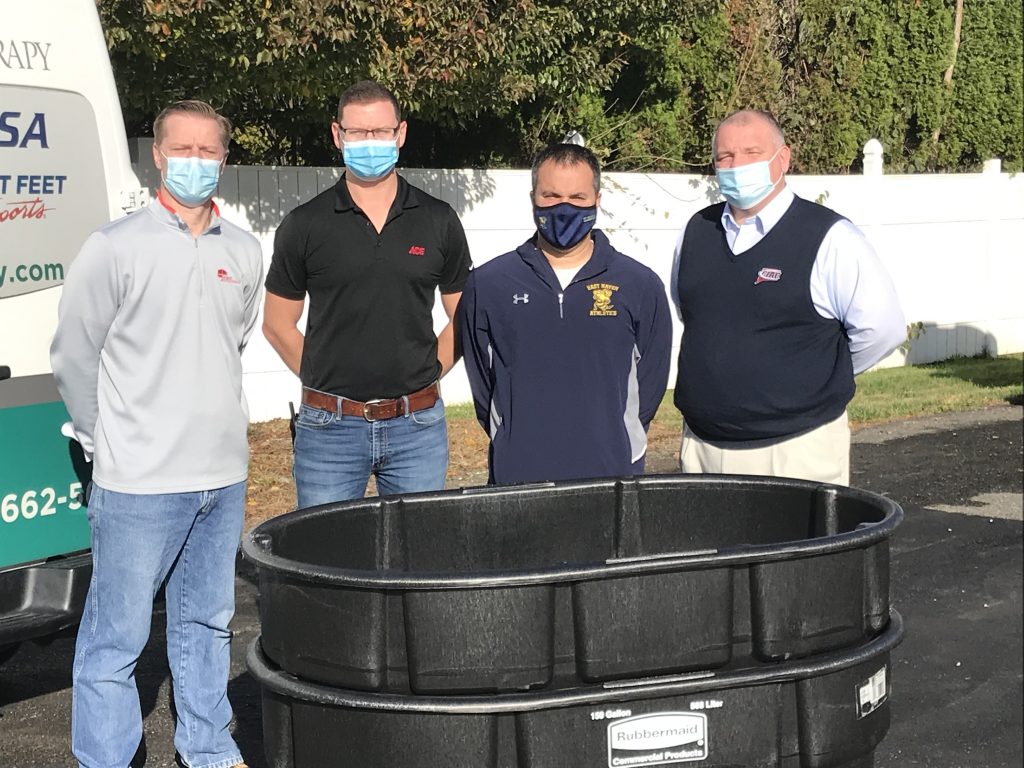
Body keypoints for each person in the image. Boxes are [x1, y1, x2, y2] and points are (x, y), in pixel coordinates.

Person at [50, 100, 260, 768]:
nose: (196, 161)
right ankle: (107, 759)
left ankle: (206, 748)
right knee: (116, 638)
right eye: (182, 149)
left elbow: (233, 344)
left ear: (223, 159)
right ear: (158, 157)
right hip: (139, 482)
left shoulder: (244, 251)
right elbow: (74, 356)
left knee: (207, 623)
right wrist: (101, 438)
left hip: (221, 478)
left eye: (209, 150)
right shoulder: (114, 247)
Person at [262, 80, 472, 506]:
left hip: (417, 428)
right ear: (338, 136)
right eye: (358, 132)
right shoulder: (304, 225)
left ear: (401, 134)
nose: (369, 142)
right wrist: (325, 385)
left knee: (418, 562)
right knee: (325, 562)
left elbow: (465, 315)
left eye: (380, 132)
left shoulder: (438, 220)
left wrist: (429, 375)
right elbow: (277, 324)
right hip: (329, 431)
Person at [672, 109, 906, 485]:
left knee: (798, 545)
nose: (736, 165)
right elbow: (693, 314)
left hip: (795, 450)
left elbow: (883, 331)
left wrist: (814, 376)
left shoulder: (830, 237)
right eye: (725, 157)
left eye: (751, 152)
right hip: (703, 447)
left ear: (783, 159)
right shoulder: (696, 232)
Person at [458, 143, 672, 485]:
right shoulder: (489, 284)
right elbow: (482, 382)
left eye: (578, 196)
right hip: (518, 475)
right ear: (532, 198)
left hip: (611, 473)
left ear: (597, 200)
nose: (564, 207)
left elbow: (652, 377)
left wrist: (617, 437)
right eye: (551, 195)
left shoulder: (639, 284)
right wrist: (511, 435)